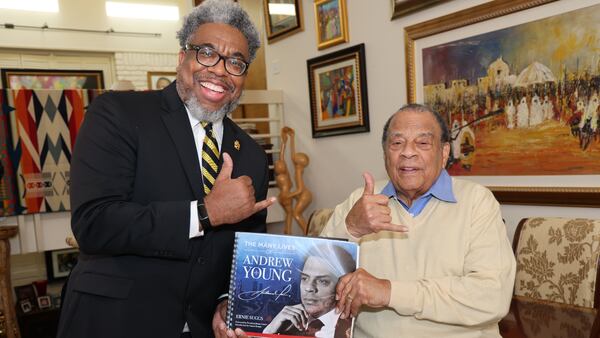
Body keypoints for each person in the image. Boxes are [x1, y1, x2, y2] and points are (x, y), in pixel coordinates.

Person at [58, 1, 275, 337]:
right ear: (181, 58)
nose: (219, 70)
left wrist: (225, 301)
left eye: (235, 62)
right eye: (206, 52)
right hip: (114, 322)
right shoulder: (119, 114)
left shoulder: (251, 156)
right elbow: (94, 223)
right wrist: (205, 213)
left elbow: (243, 255)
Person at [321, 103, 516, 337]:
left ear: (444, 153)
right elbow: (315, 278)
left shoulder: (477, 202)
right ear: (385, 153)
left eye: (422, 143)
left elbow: (492, 296)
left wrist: (389, 292)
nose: (408, 152)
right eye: (397, 143)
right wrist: (351, 227)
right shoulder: (361, 201)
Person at [262, 244, 355, 338]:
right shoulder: (285, 323)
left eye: (323, 281)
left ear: (342, 287)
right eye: (305, 278)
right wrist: (268, 332)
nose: (309, 288)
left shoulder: (352, 328)